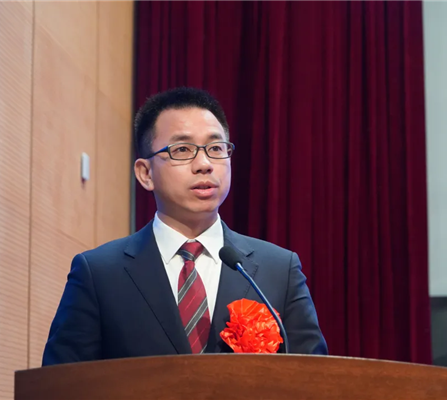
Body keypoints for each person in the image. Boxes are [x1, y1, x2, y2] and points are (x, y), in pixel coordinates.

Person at [42, 87, 327, 365]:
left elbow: (317, 380)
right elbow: (61, 384)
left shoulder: (279, 271)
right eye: (182, 149)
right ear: (145, 173)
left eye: (215, 148)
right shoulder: (99, 274)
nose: (204, 164)